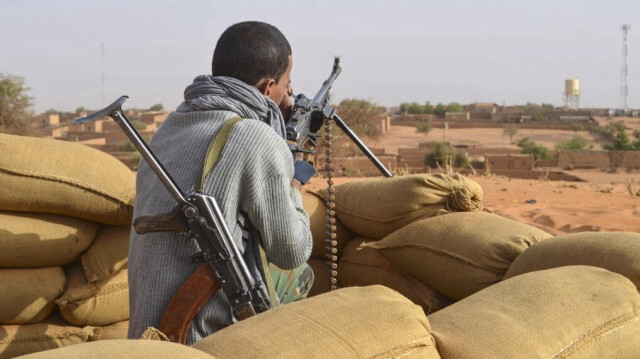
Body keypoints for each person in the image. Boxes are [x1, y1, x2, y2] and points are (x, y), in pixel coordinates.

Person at [128, 21, 315, 345]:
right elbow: (292, 251)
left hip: (147, 336)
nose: (289, 92)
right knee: (303, 277)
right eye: (286, 84)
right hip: (203, 337)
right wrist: (295, 183)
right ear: (268, 87)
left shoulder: (170, 127)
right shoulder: (253, 136)